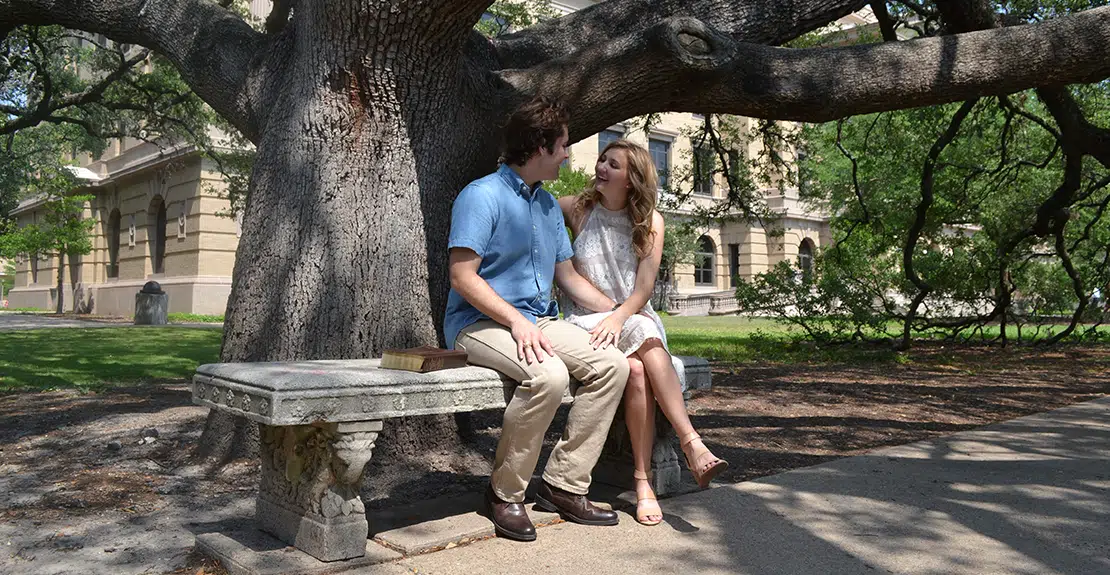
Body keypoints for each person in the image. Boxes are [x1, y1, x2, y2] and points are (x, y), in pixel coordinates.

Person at [444, 97, 630, 542]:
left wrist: (622, 310)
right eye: (563, 145)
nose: (568, 154)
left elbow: (567, 278)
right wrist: (516, 321)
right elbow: (461, 277)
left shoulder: (547, 207)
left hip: (538, 320)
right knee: (546, 374)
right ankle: (504, 495)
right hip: (478, 324)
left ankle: (564, 485)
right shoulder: (480, 195)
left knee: (612, 365)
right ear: (540, 146)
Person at [558, 138, 728, 526]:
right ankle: (691, 445)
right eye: (602, 160)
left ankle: (644, 480)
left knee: (637, 365)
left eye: (613, 165)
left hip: (631, 315)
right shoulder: (577, 208)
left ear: (632, 180)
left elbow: (643, 291)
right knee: (640, 337)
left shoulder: (651, 222)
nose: (601, 167)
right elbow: (530, 207)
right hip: (586, 321)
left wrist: (620, 317)